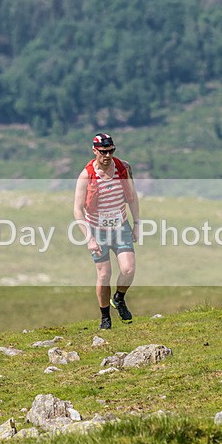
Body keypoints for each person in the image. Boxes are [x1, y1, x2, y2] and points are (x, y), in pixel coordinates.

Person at [73, 132, 140, 330]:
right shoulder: (86, 175)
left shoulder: (123, 168)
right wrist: (89, 238)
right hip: (97, 231)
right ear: (95, 151)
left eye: (111, 151)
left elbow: (133, 198)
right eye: (103, 152)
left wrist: (137, 224)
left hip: (120, 227)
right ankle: (105, 317)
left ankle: (119, 298)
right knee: (104, 275)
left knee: (128, 269)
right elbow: (77, 210)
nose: (108, 155)